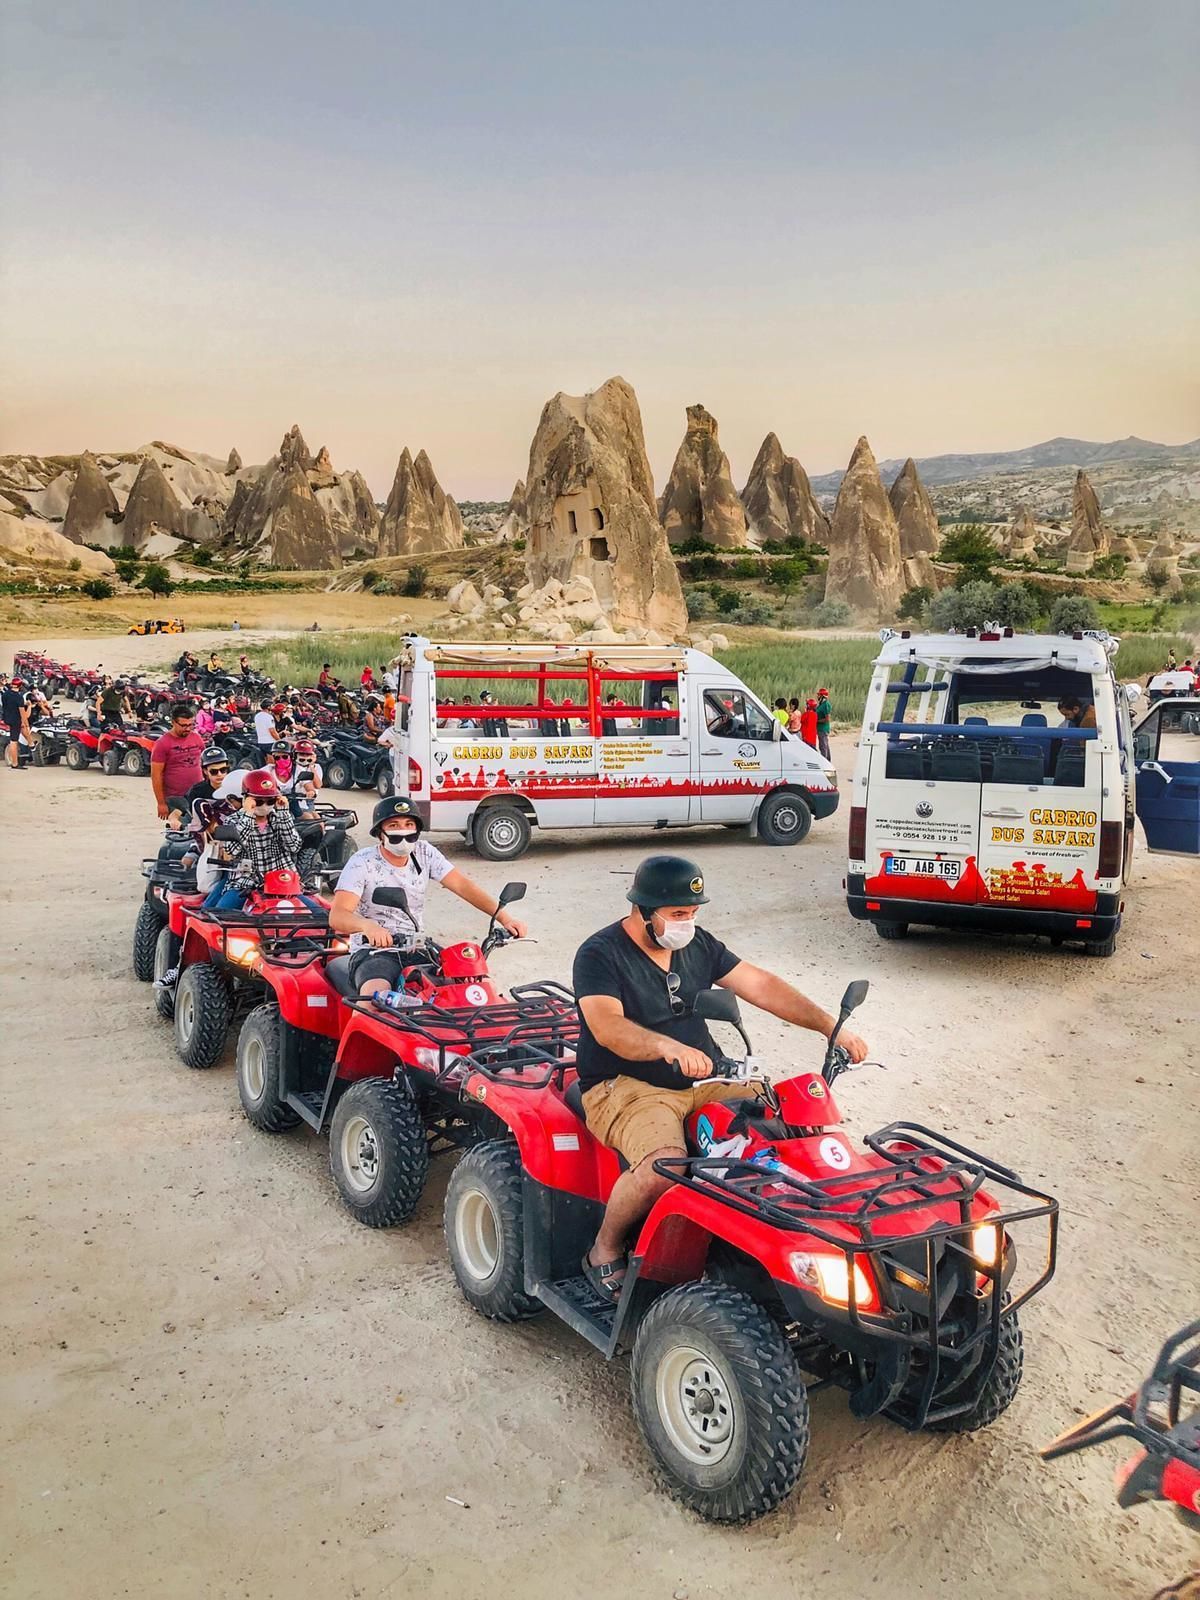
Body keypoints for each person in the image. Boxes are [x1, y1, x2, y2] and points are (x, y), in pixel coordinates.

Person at [573, 855, 868, 1300]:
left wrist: (830, 1026)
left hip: (703, 1076)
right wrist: (665, 1046)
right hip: (625, 1085)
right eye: (677, 914)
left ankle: (809, 1232)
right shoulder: (599, 954)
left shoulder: (698, 945)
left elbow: (761, 985)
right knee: (663, 1166)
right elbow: (607, 1027)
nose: (686, 923)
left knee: (786, 1123)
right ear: (643, 909)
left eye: (693, 913)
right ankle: (603, 1250)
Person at [329, 796, 529, 997]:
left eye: (409, 824)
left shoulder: (424, 853)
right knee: (374, 998)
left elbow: (463, 886)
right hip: (373, 952)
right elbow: (338, 915)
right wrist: (368, 926)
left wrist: (505, 918)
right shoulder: (362, 862)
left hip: (418, 946)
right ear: (380, 832)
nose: (403, 830)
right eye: (394, 825)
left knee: (478, 984)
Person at [203, 768, 302, 910]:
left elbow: (294, 846)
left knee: (318, 915)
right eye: (259, 801)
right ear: (246, 798)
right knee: (219, 917)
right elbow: (232, 849)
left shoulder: (281, 816)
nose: (265, 805)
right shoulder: (232, 820)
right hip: (245, 883)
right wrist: (248, 815)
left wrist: (284, 813)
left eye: (270, 801)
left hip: (283, 883)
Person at [150, 703, 205, 819]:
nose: (188, 729)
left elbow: (205, 763)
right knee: (180, 830)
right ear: (173, 722)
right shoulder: (162, 744)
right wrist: (161, 803)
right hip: (175, 797)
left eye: (191, 725)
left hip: (198, 794)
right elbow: (156, 775)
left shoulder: (196, 738)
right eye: (184, 725)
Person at [2, 675, 30, 771]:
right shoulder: (19, 697)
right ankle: (15, 763)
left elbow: (6, 706)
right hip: (16, 720)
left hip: (7, 718)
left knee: (14, 739)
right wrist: (26, 724)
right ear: (20, 686)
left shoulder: (5, 694)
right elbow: (22, 714)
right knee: (14, 741)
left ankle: (31, 745)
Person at [815, 687, 832, 761]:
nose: (818, 696)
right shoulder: (821, 704)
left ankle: (824, 762)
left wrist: (817, 721)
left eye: (819, 695)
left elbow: (827, 719)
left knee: (823, 746)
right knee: (825, 746)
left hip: (823, 729)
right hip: (820, 728)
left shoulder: (826, 705)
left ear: (822, 696)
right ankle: (827, 761)